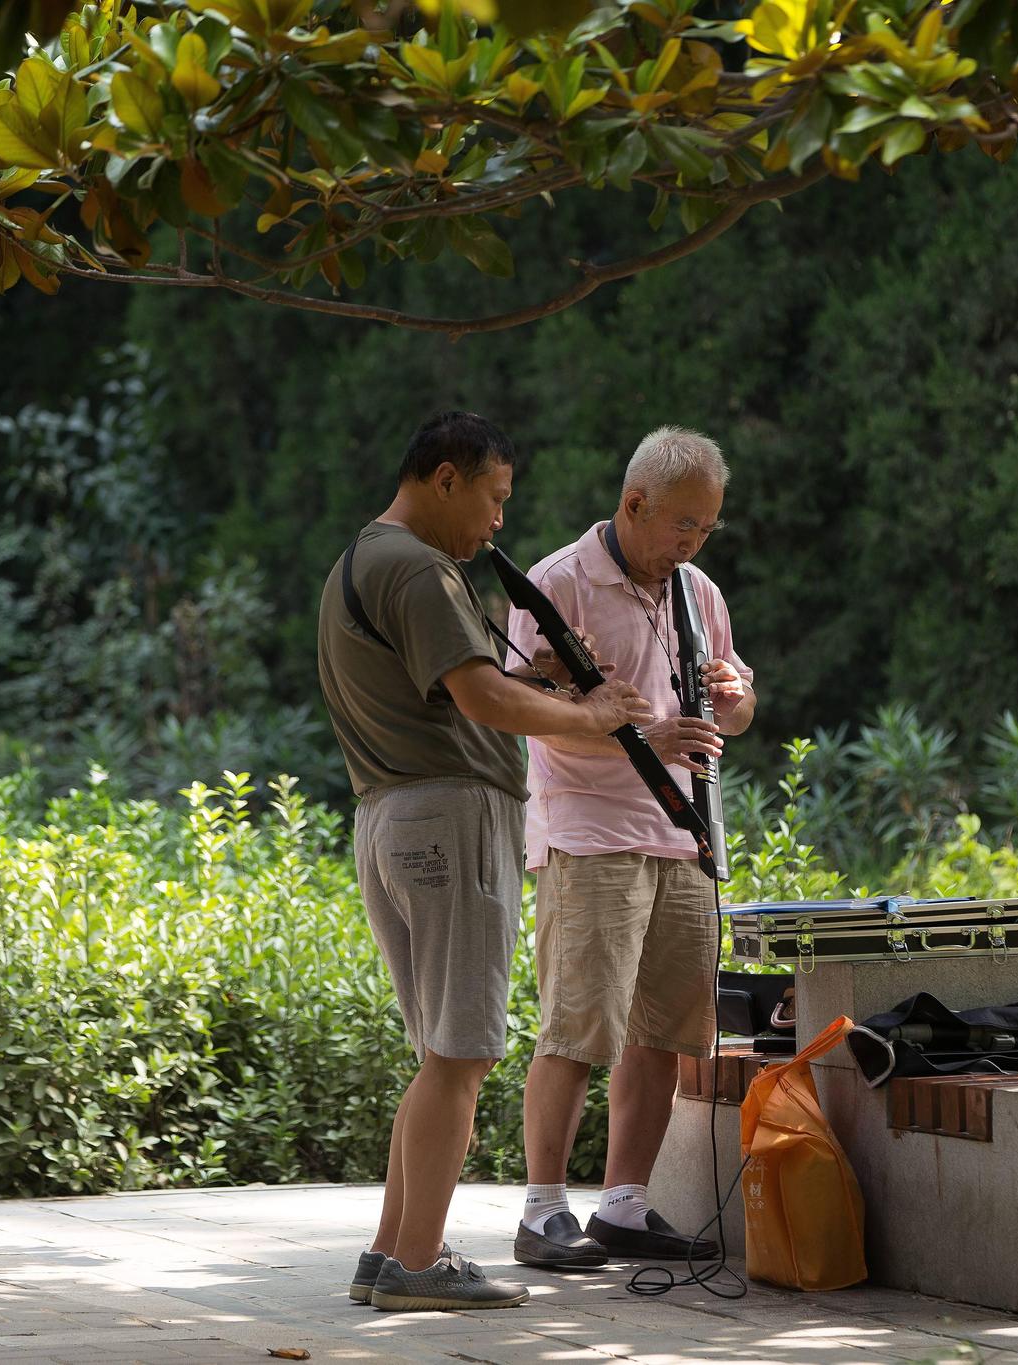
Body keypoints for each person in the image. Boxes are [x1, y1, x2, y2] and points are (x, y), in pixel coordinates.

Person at [316, 411, 653, 1311]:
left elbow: (468, 689)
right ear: (445, 478)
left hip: (390, 816)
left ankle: (390, 1251)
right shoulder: (419, 568)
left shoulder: (358, 561)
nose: (499, 521)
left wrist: (543, 686)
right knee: (462, 1055)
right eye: (495, 498)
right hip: (448, 816)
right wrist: (590, 715)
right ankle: (420, 1266)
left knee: (439, 1054)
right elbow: (477, 695)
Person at [505, 425, 757, 1269]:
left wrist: (736, 697)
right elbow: (523, 707)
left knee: (665, 1032)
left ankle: (623, 1203)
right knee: (578, 1026)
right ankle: (543, 1210)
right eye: (682, 525)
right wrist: (641, 730)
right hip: (589, 834)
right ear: (634, 503)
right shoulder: (558, 583)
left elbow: (736, 712)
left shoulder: (698, 592)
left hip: (684, 837)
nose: (690, 544)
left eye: (706, 529)